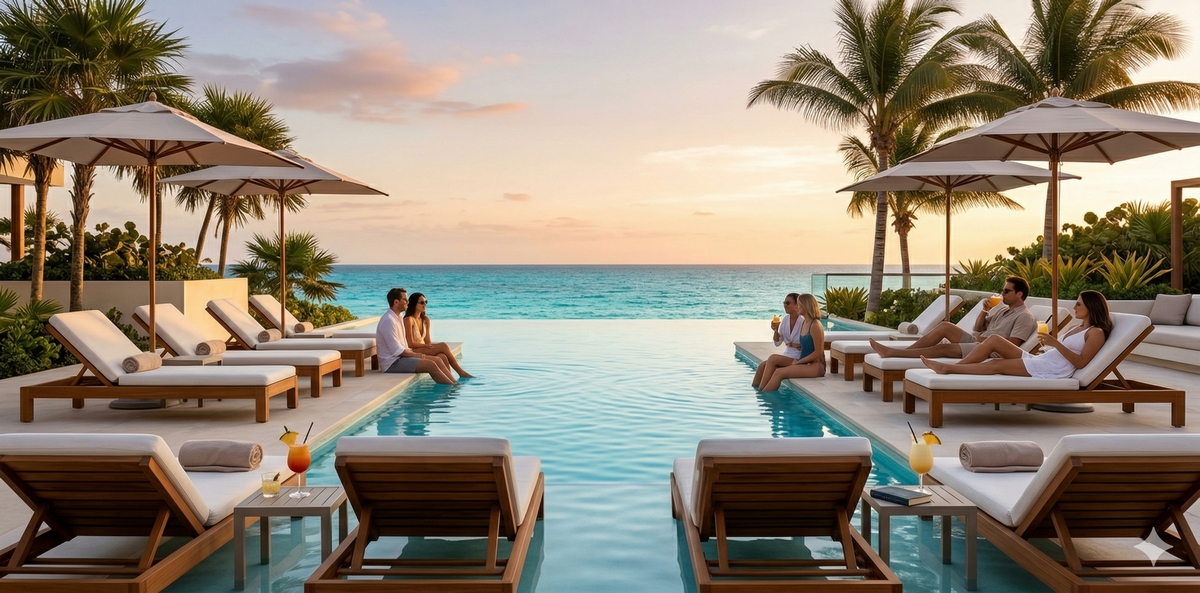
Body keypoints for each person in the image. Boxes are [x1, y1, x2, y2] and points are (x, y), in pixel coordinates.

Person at [921, 290, 1111, 379]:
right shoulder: (1075, 328)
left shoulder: (1096, 333)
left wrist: (1055, 342)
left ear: (1091, 307)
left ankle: (948, 369)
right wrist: (1052, 345)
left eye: (1078, 304)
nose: (1074, 307)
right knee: (995, 339)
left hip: (1053, 369)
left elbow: (1081, 362)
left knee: (996, 364)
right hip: (1043, 359)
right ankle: (955, 367)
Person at [869, 276, 1036, 359]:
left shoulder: (1024, 317)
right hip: (978, 341)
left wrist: (982, 341)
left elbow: (1012, 346)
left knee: (944, 349)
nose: (1002, 293)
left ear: (1019, 294)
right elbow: (978, 328)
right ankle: (903, 352)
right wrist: (985, 311)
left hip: (990, 351)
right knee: (945, 326)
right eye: (1003, 290)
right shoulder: (1002, 310)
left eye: (1006, 291)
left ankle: (894, 353)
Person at [376, 287, 455, 384]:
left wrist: (417, 354)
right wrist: (418, 355)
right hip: (392, 363)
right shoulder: (388, 321)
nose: (408, 302)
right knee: (431, 364)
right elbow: (397, 351)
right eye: (405, 300)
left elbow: (403, 346)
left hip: (401, 358)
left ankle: (454, 384)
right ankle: (451, 387)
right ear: (396, 302)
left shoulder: (398, 317)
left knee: (438, 359)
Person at [758, 293, 827, 391]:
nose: (797, 307)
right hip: (804, 363)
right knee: (769, 362)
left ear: (805, 305)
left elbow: (818, 352)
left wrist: (799, 361)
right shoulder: (805, 323)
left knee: (779, 373)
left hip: (816, 366)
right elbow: (806, 345)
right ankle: (760, 391)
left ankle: (763, 397)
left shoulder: (815, 324)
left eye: (799, 304)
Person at [404, 292, 473, 378]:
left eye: (426, 302)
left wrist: (428, 346)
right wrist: (426, 346)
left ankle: (450, 382)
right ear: (414, 304)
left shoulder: (425, 320)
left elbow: (428, 341)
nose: (424, 304)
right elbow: (410, 343)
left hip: (424, 349)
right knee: (443, 345)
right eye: (421, 302)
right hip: (413, 351)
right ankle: (461, 372)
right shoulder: (408, 320)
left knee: (442, 356)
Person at [752, 293, 804, 389]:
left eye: (787, 303)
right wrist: (775, 330)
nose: (785, 305)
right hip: (787, 355)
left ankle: (762, 390)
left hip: (799, 356)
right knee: (762, 366)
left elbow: (808, 340)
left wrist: (799, 345)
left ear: (797, 305)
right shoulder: (785, 319)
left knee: (773, 358)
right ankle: (755, 389)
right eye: (784, 303)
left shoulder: (803, 320)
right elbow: (778, 342)